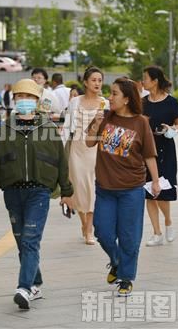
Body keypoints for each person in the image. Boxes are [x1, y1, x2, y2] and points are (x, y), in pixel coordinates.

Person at [0, 78, 73, 310]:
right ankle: (36, 282)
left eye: (29, 97)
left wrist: (66, 191)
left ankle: (24, 288)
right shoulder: (5, 128)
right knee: (22, 241)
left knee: (30, 239)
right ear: (14, 100)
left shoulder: (48, 129)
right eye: (20, 96)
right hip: (12, 192)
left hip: (39, 192)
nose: (24, 100)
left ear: (37, 100)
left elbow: (61, 161)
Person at [85, 77, 160, 297]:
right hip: (105, 188)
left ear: (126, 99)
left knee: (129, 236)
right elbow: (89, 142)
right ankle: (116, 260)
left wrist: (155, 181)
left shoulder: (141, 122)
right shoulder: (105, 116)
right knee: (102, 231)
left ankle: (126, 278)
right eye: (110, 93)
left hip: (131, 189)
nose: (109, 97)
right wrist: (96, 123)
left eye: (114, 93)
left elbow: (149, 155)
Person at [65, 67, 109, 245]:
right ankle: (84, 223)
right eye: (93, 80)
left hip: (96, 151)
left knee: (92, 188)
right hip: (77, 149)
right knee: (79, 188)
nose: (97, 83)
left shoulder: (105, 103)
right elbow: (67, 127)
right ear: (85, 82)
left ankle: (89, 229)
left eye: (100, 80)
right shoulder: (75, 102)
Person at [142, 66, 178, 246]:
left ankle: (168, 221)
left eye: (145, 78)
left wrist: (171, 129)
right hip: (146, 151)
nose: (143, 81)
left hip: (165, 150)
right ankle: (156, 233)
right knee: (149, 192)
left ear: (155, 81)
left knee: (163, 192)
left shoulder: (171, 102)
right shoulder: (143, 102)